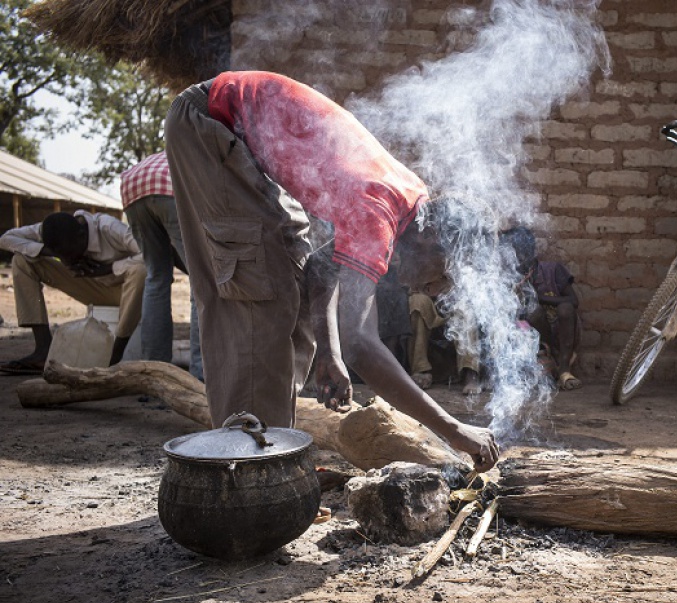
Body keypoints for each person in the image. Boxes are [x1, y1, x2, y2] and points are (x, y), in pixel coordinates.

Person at [164, 70, 498, 472]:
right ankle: (247, 474)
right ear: (432, 242)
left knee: (292, 276)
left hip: (235, 133)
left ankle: (272, 460)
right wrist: (454, 430)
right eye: (440, 276)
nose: (432, 288)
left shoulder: (406, 203)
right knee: (263, 299)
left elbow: (322, 270)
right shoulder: (380, 212)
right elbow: (363, 343)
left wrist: (328, 350)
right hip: (211, 120)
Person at [0, 210, 146, 373]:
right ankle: (43, 350)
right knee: (21, 261)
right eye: (61, 256)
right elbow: (5, 239)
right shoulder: (53, 230)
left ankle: (115, 355)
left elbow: (149, 254)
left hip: (125, 292)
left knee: (141, 271)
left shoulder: (108, 228)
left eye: (70, 254)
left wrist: (109, 268)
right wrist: (48, 251)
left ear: (82, 235)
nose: (67, 261)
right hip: (89, 285)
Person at [121, 152, 203, 380]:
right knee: (201, 284)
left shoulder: (173, 146)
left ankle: (155, 371)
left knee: (156, 277)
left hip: (132, 188)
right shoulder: (209, 149)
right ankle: (202, 375)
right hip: (170, 189)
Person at [501, 226, 582, 390]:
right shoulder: (512, 278)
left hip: (562, 329)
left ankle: (565, 369)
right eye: (513, 251)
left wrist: (541, 298)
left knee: (565, 308)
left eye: (520, 250)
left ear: (530, 250)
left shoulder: (552, 270)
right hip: (534, 337)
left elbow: (573, 301)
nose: (517, 255)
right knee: (533, 312)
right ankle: (546, 362)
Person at [408, 291, 483, 395]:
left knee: (464, 305)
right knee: (417, 301)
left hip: (455, 297)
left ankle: (470, 372)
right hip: (428, 299)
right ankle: (421, 370)